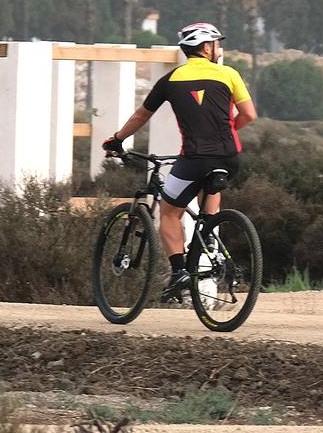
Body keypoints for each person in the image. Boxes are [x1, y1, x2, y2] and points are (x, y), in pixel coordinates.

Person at [102, 22, 258, 300]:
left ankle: (179, 272)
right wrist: (227, 131)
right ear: (207, 47)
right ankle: (209, 233)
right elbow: (248, 115)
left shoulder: (170, 80)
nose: (218, 49)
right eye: (216, 44)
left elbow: (141, 116)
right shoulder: (229, 74)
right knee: (213, 183)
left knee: (170, 211)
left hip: (194, 158)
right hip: (230, 155)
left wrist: (117, 139)